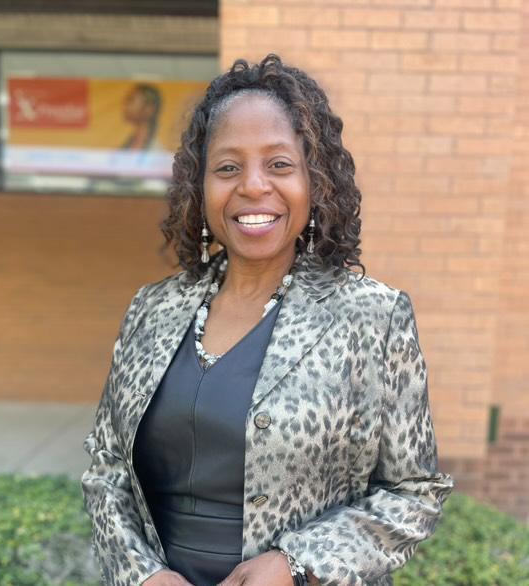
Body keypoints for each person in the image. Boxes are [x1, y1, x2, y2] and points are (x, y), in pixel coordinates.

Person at [81, 53, 454, 586]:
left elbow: (414, 492)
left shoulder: (374, 318)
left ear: (315, 181)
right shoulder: (152, 309)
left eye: (279, 164)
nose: (253, 186)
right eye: (227, 167)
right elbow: (106, 467)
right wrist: (142, 575)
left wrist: (297, 563)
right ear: (200, 188)